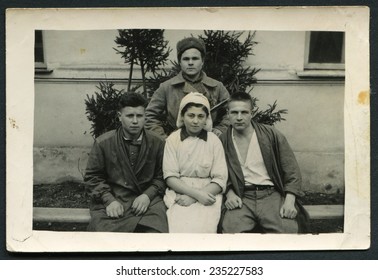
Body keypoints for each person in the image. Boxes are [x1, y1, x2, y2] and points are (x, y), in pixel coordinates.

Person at [220, 91, 308, 233]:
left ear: (252, 113)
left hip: (270, 195)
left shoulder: (271, 135)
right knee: (230, 233)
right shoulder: (223, 140)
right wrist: (229, 193)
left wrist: (290, 200)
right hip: (242, 197)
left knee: (288, 232)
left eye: (244, 112)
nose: (239, 118)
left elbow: (292, 170)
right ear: (228, 114)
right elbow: (219, 172)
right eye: (234, 112)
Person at [84, 92, 168, 233]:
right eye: (130, 116)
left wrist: (147, 196)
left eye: (139, 116)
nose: (135, 121)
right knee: (105, 240)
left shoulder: (158, 142)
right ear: (119, 117)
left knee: (155, 235)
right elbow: (93, 177)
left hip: (148, 202)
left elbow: (162, 177)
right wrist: (109, 200)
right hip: (115, 199)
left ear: (145, 116)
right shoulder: (103, 143)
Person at [163, 92, 228, 233]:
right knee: (178, 226)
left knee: (205, 228)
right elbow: (170, 177)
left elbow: (220, 178)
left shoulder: (214, 141)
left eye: (200, 116)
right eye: (191, 115)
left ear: (206, 119)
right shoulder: (173, 140)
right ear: (182, 116)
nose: (195, 121)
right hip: (180, 191)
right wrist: (194, 195)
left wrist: (197, 197)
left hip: (209, 192)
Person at [145, 37, 230, 138]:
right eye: (186, 59)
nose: (190, 63)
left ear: (202, 61)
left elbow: (232, 111)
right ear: (180, 62)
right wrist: (164, 139)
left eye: (195, 58)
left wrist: (220, 130)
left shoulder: (217, 86)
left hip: (209, 142)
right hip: (179, 142)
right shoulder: (167, 87)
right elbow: (149, 116)